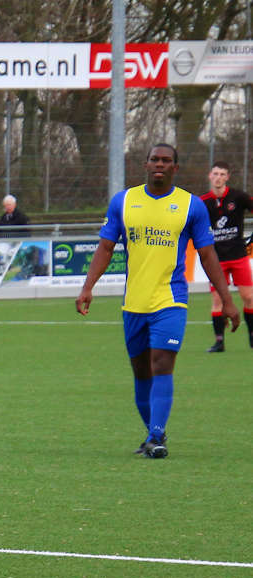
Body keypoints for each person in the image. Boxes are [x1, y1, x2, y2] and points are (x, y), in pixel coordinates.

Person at [75, 144, 239, 459]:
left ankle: (155, 436)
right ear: (146, 165)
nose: (159, 164)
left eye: (166, 161)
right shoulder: (124, 201)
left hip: (171, 299)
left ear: (175, 168)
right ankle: (153, 433)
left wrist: (227, 299)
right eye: (154, 160)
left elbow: (207, 255)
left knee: (161, 363)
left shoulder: (191, 206)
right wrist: (87, 287)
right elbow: (106, 248)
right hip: (134, 302)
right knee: (141, 373)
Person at [199, 161, 253, 352]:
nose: (218, 178)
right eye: (215, 174)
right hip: (215, 260)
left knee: (249, 297)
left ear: (227, 177)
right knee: (217, 300)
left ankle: (252, 335)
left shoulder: (238, 197)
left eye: (222, 174)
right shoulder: (202, 202)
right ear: (209, 176)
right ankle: (219, 341)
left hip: (239, 256)